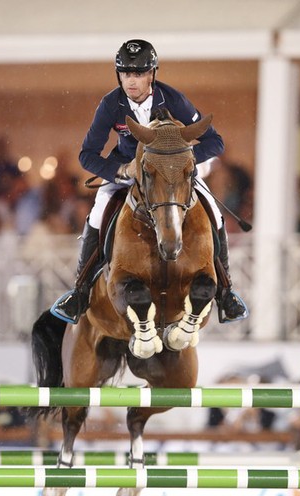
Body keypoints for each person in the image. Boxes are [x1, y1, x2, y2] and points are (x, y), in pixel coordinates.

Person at [50, 39, 248, 325]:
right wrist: (121, 171)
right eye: (125, 73)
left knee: (214, 212)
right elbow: (87, 155)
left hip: (169, 174)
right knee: (98, 210)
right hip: (129, 171)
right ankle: (79, 292)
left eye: (139, 73)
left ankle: (227, 292)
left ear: (152, 74)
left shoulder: (172, 98)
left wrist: (179, 158)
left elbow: (215, 142)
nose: (131, 80)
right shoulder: (110, 104)